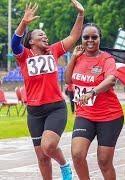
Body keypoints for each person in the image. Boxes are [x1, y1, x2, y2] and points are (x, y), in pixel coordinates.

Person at [11, 1, 84, 179]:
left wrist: (80, 14)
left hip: (55, 108)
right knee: (42, 158)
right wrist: (24, 23)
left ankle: (64, 165)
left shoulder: (54, 50)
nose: (45, 37)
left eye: (45, 35)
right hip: (34, 112)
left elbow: (73, 37)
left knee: (49, 146)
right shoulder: (24, 56)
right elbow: (14, 44)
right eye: (41, 35)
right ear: (31, 41)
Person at [64, 23, 124, 180]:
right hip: (85, 114)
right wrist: (73, 58)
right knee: (77, 154)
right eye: (86, 37)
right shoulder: (78, 58)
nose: (90, 40)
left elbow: (111, 80)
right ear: (82, 39)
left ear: (99, 39)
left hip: (109, 117)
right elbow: (67, 79)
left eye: (94, 37)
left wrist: (92, 92)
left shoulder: (106, 59)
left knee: (104, 161)